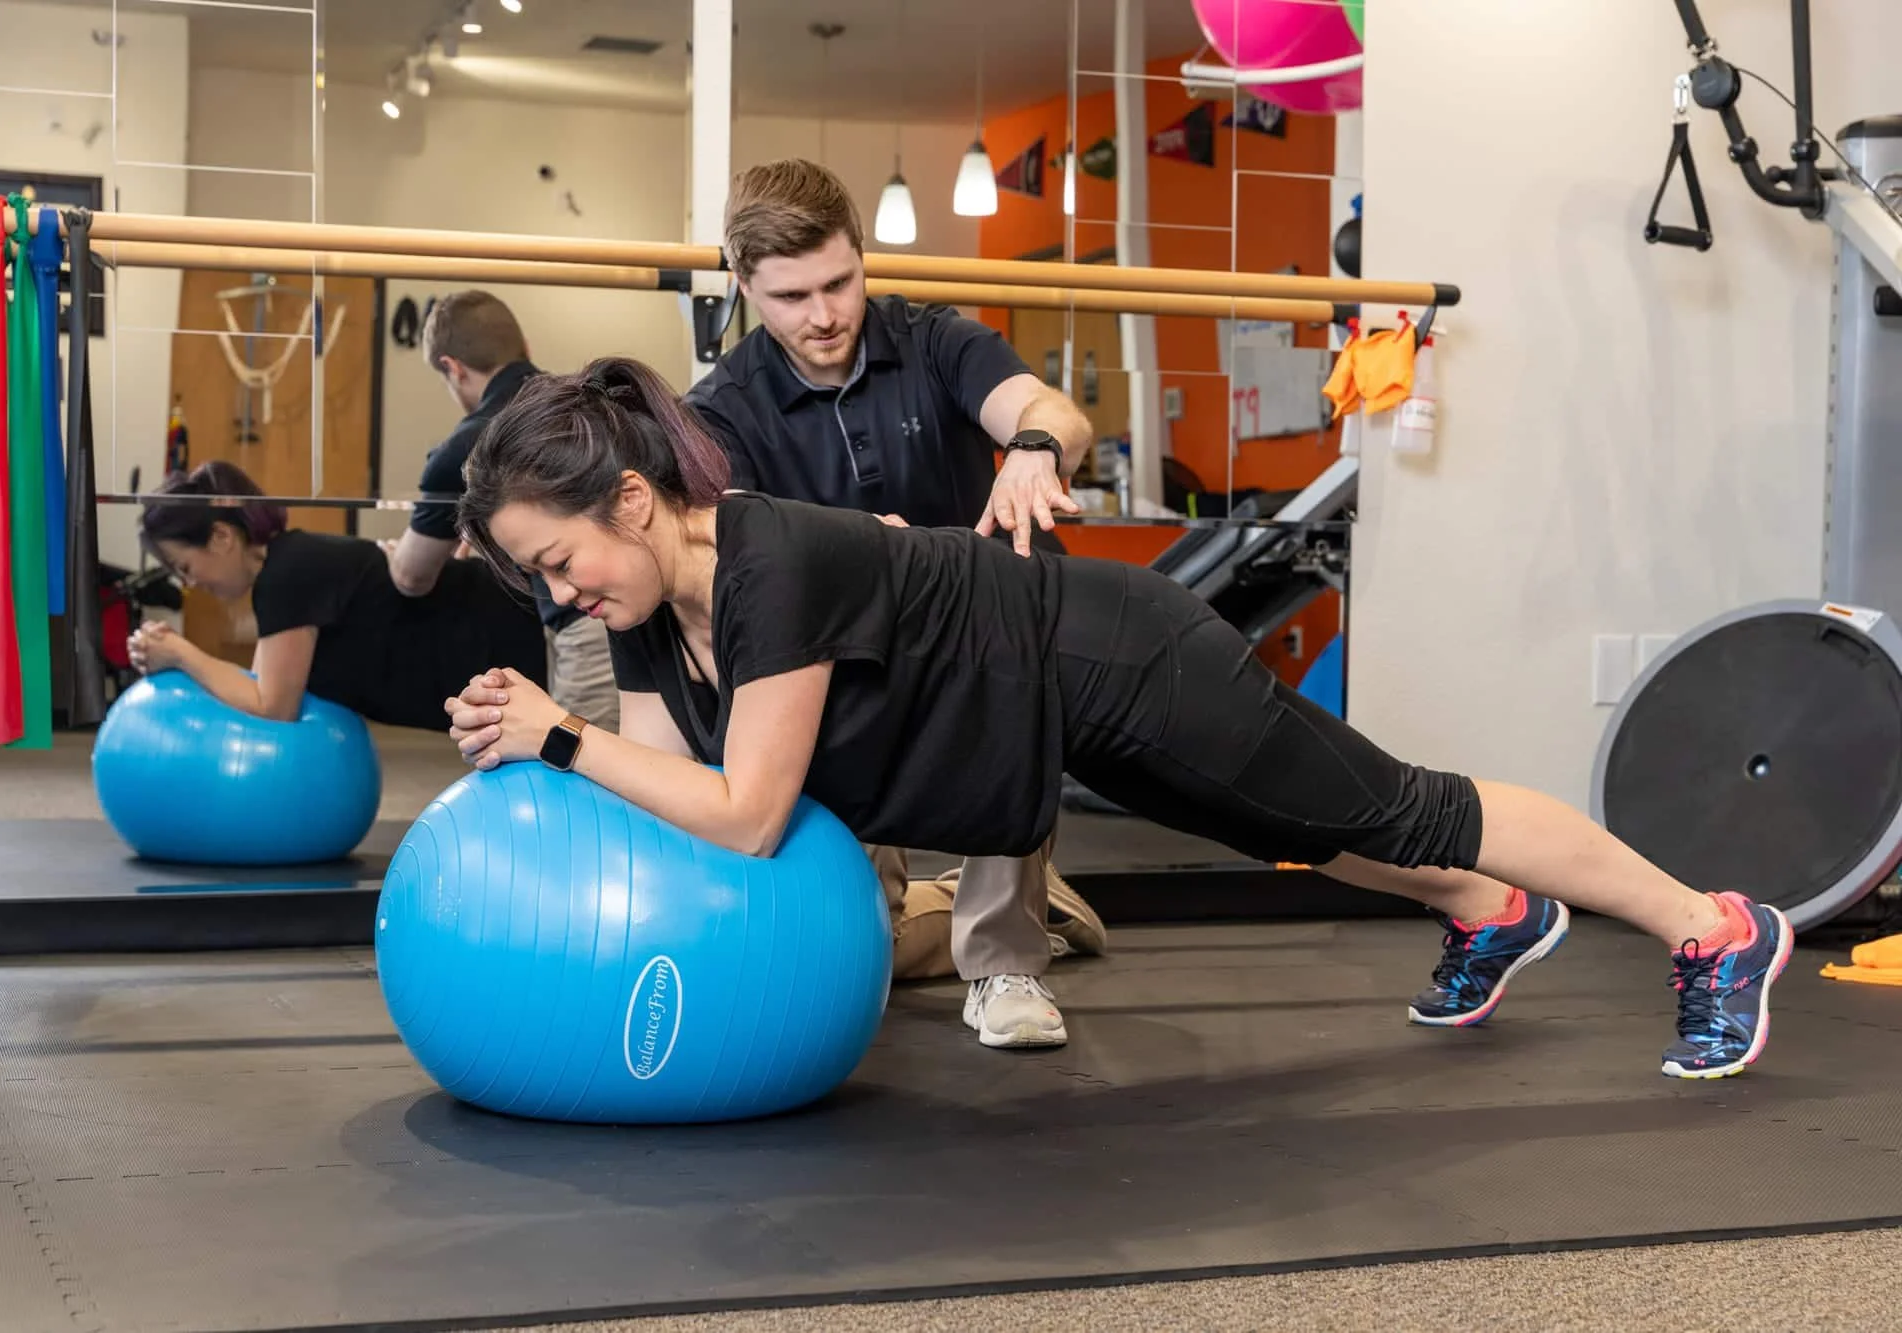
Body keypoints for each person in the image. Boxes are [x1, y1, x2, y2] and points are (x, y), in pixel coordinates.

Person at [441, 359, 1794, 1082]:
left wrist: (557, 734)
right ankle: (1490, 913)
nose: (562, 596)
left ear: (625, 501)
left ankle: (1717, 927)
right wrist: (549, 723)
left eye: (559, 562)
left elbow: (742, 815)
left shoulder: (767, 564)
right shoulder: (643, 619)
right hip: (1052, 715)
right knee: (1284, 828)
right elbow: (672, 796)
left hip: (1116, 657)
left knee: (1394, 801)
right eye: (536, 583)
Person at [682, 157, 1108, 1050]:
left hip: (978, 641)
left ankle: (1004, 955)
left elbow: (1048, 408)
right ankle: (984, 903)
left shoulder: (936, 340)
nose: (825, 315)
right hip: (840, 670)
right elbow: (729, 566)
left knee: (1014, 636)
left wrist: (1034, 445)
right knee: (846, 949)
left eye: (839, 282)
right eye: (792, 297)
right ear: (744, 285)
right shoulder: (719, 411)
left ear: (862, 257)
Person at [126, 459, 545, 729]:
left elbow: (273, 707)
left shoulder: (286, 573)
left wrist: (181, 653)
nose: (190, 583)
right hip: (515, 636)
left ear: (220, 537)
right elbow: (260, 685)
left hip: (530, 633)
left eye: (184, 567)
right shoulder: (287, 566)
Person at [385, 290, 620, 732]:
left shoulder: (465, 447)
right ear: (525, 348)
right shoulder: (591, 403)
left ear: (450, 367)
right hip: (655, 614)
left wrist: (392, 553)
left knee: (588, 780)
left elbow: (411, 576)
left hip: (591, 626)